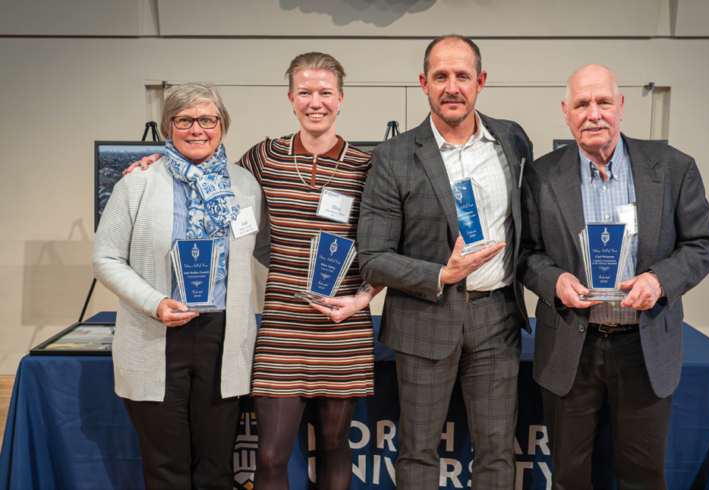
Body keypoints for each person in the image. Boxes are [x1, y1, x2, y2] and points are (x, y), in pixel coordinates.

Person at [125, 53, 382, 490]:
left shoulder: (368, 166)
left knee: (336, 446)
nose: (314, 102)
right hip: (281, 324)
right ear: (290, 98)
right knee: (269, 454)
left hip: (342, 326)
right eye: (304, 92)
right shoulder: (264, 157)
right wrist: (160, 160)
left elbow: (388, 244)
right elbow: (210, 175)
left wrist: (365, 295)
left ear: (341, 98)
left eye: (324, 93)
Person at [518, 64, 709, 489]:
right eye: (581, 104)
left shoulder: (672, 168)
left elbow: (704, 241)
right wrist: (554, 281)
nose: (593, 113)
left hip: (643, 346)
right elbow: (526, 253)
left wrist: (659, 280)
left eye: (603, 102)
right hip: (571, 346)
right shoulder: (541, 175)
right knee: (570, 477)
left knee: (642, 477)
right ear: (566, 111)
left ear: (622, 106)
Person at [357, 35, 532, 489]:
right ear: (423, 83)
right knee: (417, 452)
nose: (451, 86)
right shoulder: (394, 156)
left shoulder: (511, 140)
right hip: (424, 317)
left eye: (462, 76)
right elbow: (373, 258)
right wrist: (441, 274)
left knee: (497, 452)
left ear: (481, 82)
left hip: (497, 316)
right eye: (440, 77)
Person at [92, 82, 270, 489]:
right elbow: (105, 258)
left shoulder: (245, 185)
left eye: (208, 119)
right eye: (185, 120)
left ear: (222, 125)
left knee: (217, 469)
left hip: (223, 340)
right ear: (168, 126)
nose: (197, 129)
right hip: (155, 336)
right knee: (165, 469)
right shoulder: (137, 184)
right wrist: (155, 303)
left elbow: (265, 249)